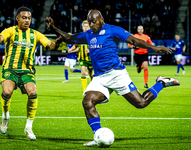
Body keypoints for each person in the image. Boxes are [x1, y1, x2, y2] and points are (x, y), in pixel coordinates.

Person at [45, 9, 180, 147]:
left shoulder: (113, 30)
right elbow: (70, 38)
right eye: (89, 22)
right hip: (99, 78)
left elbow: (134, 40)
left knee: (141, 103)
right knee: (87, 101)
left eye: (94, 22)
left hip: (117, 74)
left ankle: (161, 83)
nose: (92, 25)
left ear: (101, 20)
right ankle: (98, 135)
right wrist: (54, 28)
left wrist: (154, 48)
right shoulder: (88, 35)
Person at [0, 7, 61, 141]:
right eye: (24, 18)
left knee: (33, 92)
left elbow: (49, 45)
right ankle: (5, 116)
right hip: (10, 69)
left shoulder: (35, 34)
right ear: (17, 18)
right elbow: (1, 37)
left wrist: (56, 43)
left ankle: (28, 127)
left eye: (29, 18)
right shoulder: (10, 31)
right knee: (7, 92)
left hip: (27, 70)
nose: (27, 20)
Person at [72, 20, 93, 92]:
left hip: (91, 59)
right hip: (82, 59)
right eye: (84, 26)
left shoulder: (93, 36)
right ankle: (85, 90)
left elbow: (97, 47)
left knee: (92, 75)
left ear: (90, 27)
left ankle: (92, 88)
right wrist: (71, 49)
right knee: (83, 72)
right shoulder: (79, 36)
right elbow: (76, 45)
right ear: (82, 27)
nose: (86, 27)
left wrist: (90, 50)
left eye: (87, 26)